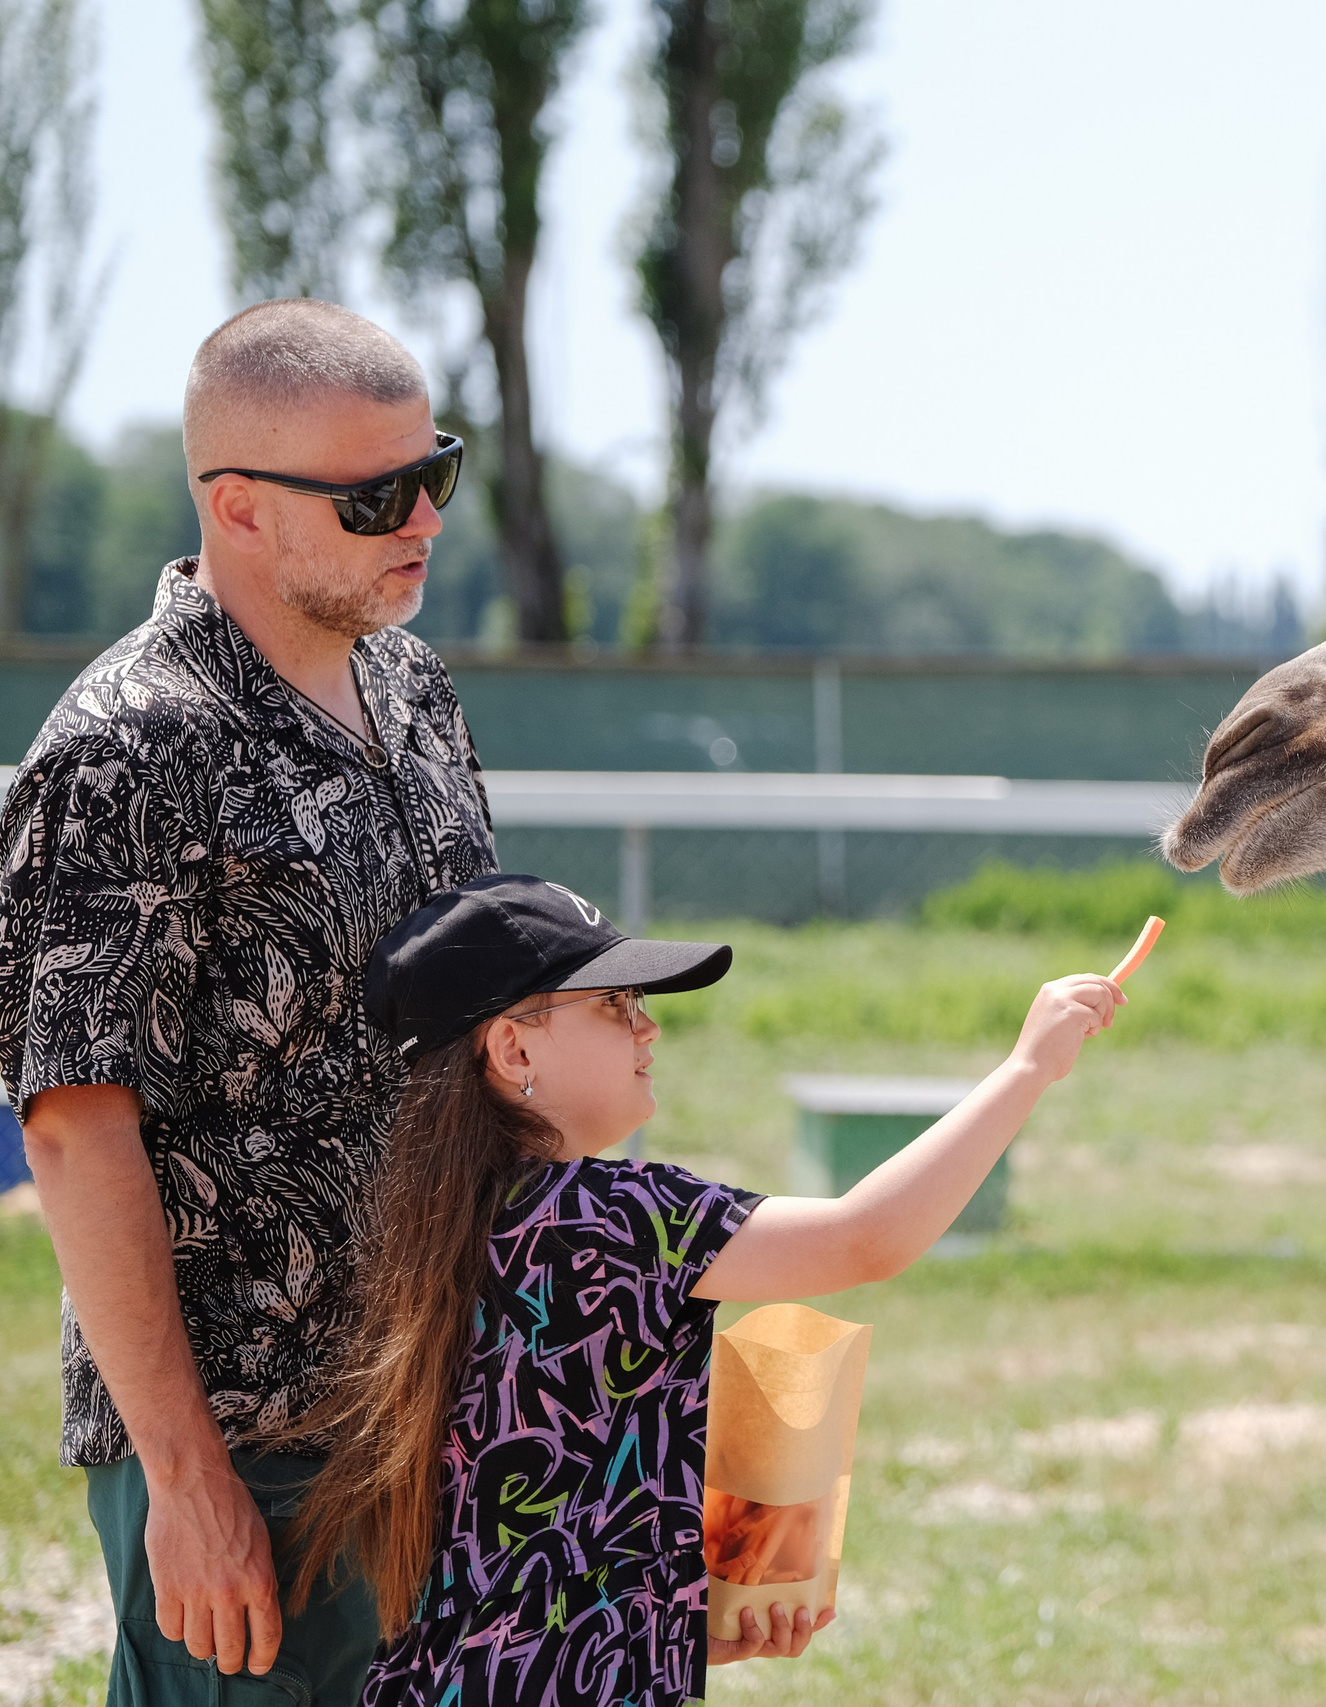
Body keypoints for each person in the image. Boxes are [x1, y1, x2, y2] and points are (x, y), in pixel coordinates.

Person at [282, 874, 1125, 1706]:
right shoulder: (609, 1217)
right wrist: (1026, 1068)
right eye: (614, 1003)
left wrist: (673, 1625)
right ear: (514, 1049)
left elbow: (522, 1554)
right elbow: (864, 1237)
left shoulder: (427, 1234)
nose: (648, 1027)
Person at [0, 300, 498, 1703]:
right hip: (253, 1444)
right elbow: (73, 1125)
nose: (424, 519)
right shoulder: (126, 747)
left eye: (436, 472)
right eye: (374, 496)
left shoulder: (413, 690)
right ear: (239, 507)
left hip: (440, 1400)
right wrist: (187, 1478)